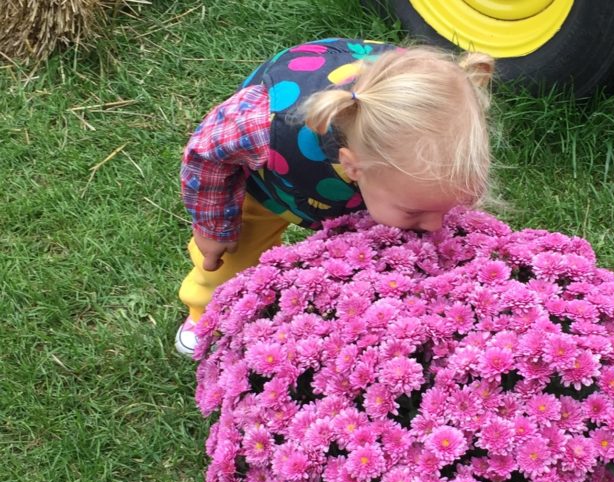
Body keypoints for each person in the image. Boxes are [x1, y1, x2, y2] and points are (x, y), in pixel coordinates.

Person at [176, 38, 495, 355]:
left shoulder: (440, 116)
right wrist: (213, 225)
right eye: (414, 212)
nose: (435, 224)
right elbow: (206, 152)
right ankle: (206, 316)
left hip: (360, 182)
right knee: (229, 259)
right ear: (352, 166)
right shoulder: (266, 124)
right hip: (270, 183)